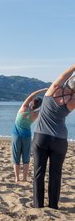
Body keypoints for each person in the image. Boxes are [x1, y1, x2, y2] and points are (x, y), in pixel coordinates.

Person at [33, 66, 75, 209]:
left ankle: (38, 204)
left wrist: (74, 66)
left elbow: (63, 75)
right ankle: (52, 206)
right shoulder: (72, 101)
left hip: (41, 137)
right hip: (60, 140)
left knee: (39, 172)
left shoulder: (53, 90)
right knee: (55, 174)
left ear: (68, 82)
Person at [11, 88, 48, 182]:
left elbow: (32, 94)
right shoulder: (36, 113)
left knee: (16, 157)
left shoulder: (24, 107)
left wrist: (43, 90)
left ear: (32, 102)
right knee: (26, 157)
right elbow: (45, 108)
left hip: (16, 135)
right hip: (27, 135)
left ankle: (17, 178)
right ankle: (24, 179)